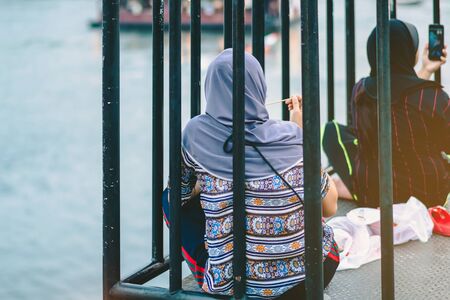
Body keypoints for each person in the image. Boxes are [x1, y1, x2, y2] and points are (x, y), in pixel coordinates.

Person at [162, 49, 339, 298]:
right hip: (314, 274)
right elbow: (330, 208)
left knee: (168, 199)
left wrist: (213, 181)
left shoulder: (195, 134)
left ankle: (216, 273)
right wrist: (302, 135)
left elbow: (178, 194)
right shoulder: (292, 135)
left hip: (240, 289)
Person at [323, 20, 449, 208]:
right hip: (428, 196)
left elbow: (396, 101)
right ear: (408, 53)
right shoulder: (434, 97)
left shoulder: (361, 91)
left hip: (374, 192)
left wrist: (426, 70)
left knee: (332, 131)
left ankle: (352, 185)